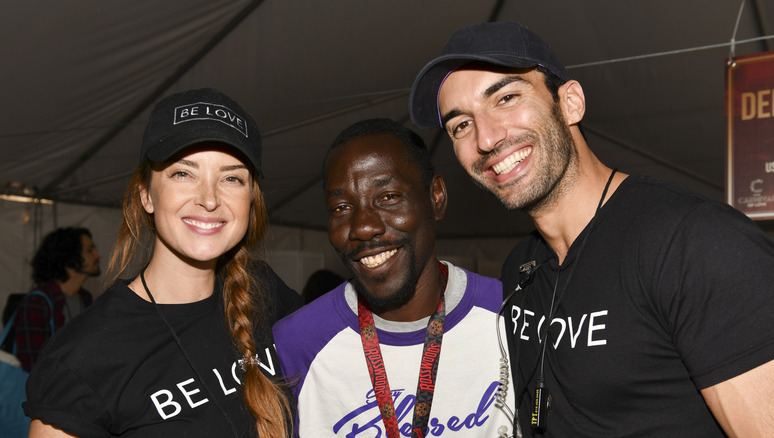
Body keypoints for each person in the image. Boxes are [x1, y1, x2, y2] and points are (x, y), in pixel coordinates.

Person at [408, 21, 774, 437]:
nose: (487, 138)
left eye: (507, 98)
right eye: (461, 125)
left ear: (571, 103)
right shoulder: (521, 268)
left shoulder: (695, 243)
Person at [24, 88, 301, 437]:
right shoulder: (83, 358)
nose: (210, 199)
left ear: (251, 198)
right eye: (183, 173)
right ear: (146, 195)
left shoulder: (266, 291)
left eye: (232, 178)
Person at [272, 118, 514, 437]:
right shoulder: (294, 343)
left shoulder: (511, 315)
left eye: (388, 197)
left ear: (436, 197)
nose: (362, 226)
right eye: (341, 207)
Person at [12, 227, 99, 371]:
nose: (97, 256)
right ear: (70, 257)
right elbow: (33, 365)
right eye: (90, 250)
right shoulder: (38, 303)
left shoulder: (86, 298)